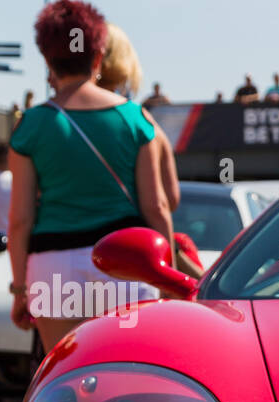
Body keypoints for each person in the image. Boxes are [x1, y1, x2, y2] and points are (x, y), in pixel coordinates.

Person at [8, 0, 174, 354]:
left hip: (53, 268)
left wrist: (20, 288)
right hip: (126, 263)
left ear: (48, 59)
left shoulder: (32, 125)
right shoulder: (134, 118)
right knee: (131, 377)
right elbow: (157, 206)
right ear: (98, 56)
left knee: (66, 383)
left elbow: (21, 219)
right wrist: (168, 277)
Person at [98, 23, 200, 280]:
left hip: (58, 266)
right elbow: (165, 201)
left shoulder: (52, 118)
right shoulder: (140, 121)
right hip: (132, 257)